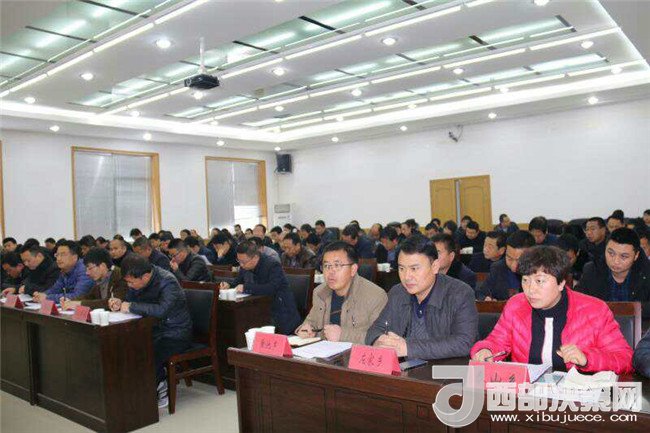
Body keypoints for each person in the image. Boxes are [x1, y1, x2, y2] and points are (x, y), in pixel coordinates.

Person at [471, 246, 633, 374]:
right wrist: (485, 350)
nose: (530, 289)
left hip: (576, 398)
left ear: (561, 283)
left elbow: (625, 359)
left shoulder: (595, 311)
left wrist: (587, 358)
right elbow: (496, 341)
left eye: (540, 281)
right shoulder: (516, 305)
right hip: (528, 395)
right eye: (525, 280)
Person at [365, 237, 478, 359]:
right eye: (401, 268)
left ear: (434, 266)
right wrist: (379, 341)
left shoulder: (460, 294)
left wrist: (408, 348)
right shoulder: (398, 292)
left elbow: (464, 342)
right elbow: (375, 330)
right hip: (404, 367)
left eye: (414, 269)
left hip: (444, 367)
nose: (407, 277)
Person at [109, 255, 192, 409]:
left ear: (146, 276)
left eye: (131, 282)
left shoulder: (167, 281)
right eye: (127, 282)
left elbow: (162, 310)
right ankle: (131, 390)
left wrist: (131, 306)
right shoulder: (137, 280)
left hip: (175, 332)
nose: (129, 286)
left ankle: (160, 387)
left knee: (147, 352)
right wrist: (120, 303)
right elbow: (130, 300)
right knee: (125, 346)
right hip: (152, 329)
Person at [296, 242, 387, 344]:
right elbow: (311, 322)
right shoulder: (320, 292)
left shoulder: (375, 296)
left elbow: (380, 338)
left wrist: (343, 335)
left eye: (337, 265)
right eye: (326, 266)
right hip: (324, 351)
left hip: (355, 353)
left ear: (353, 269)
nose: (331, 271)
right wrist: (306, 329)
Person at [219, 241, 300, 335]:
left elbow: (271, 288)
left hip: (278, 311)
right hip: (255, 308)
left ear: (255, 257)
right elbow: (237, 282)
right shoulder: (244, 265)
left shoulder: (272, 265)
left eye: (243, 262)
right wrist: (229, 285)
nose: (241, 265)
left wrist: (246, 287)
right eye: (238, 261)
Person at [578, 228, 650, 319]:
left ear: (636, 255)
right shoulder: (591, 270)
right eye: (611, 253)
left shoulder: (647, 272)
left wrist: (630, 310)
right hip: (599, 325)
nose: (616, 261)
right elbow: (578, 302)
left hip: (640, 326)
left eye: (624, 256)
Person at [61, 247, 128, 310]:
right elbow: (89, 297)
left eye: (90, 268)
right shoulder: (100, 279)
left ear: (102, 266)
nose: (87, 273)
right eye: (86, 269)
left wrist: (78, 304)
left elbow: (111, 303)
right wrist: (70, 301)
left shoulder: (120, 276)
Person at [477, 230, 536, 300]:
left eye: (519, 260)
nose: (514, 266)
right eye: (509, 258)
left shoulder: (540, 272)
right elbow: (481, 293)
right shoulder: (497, 268)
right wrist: (486, 298)